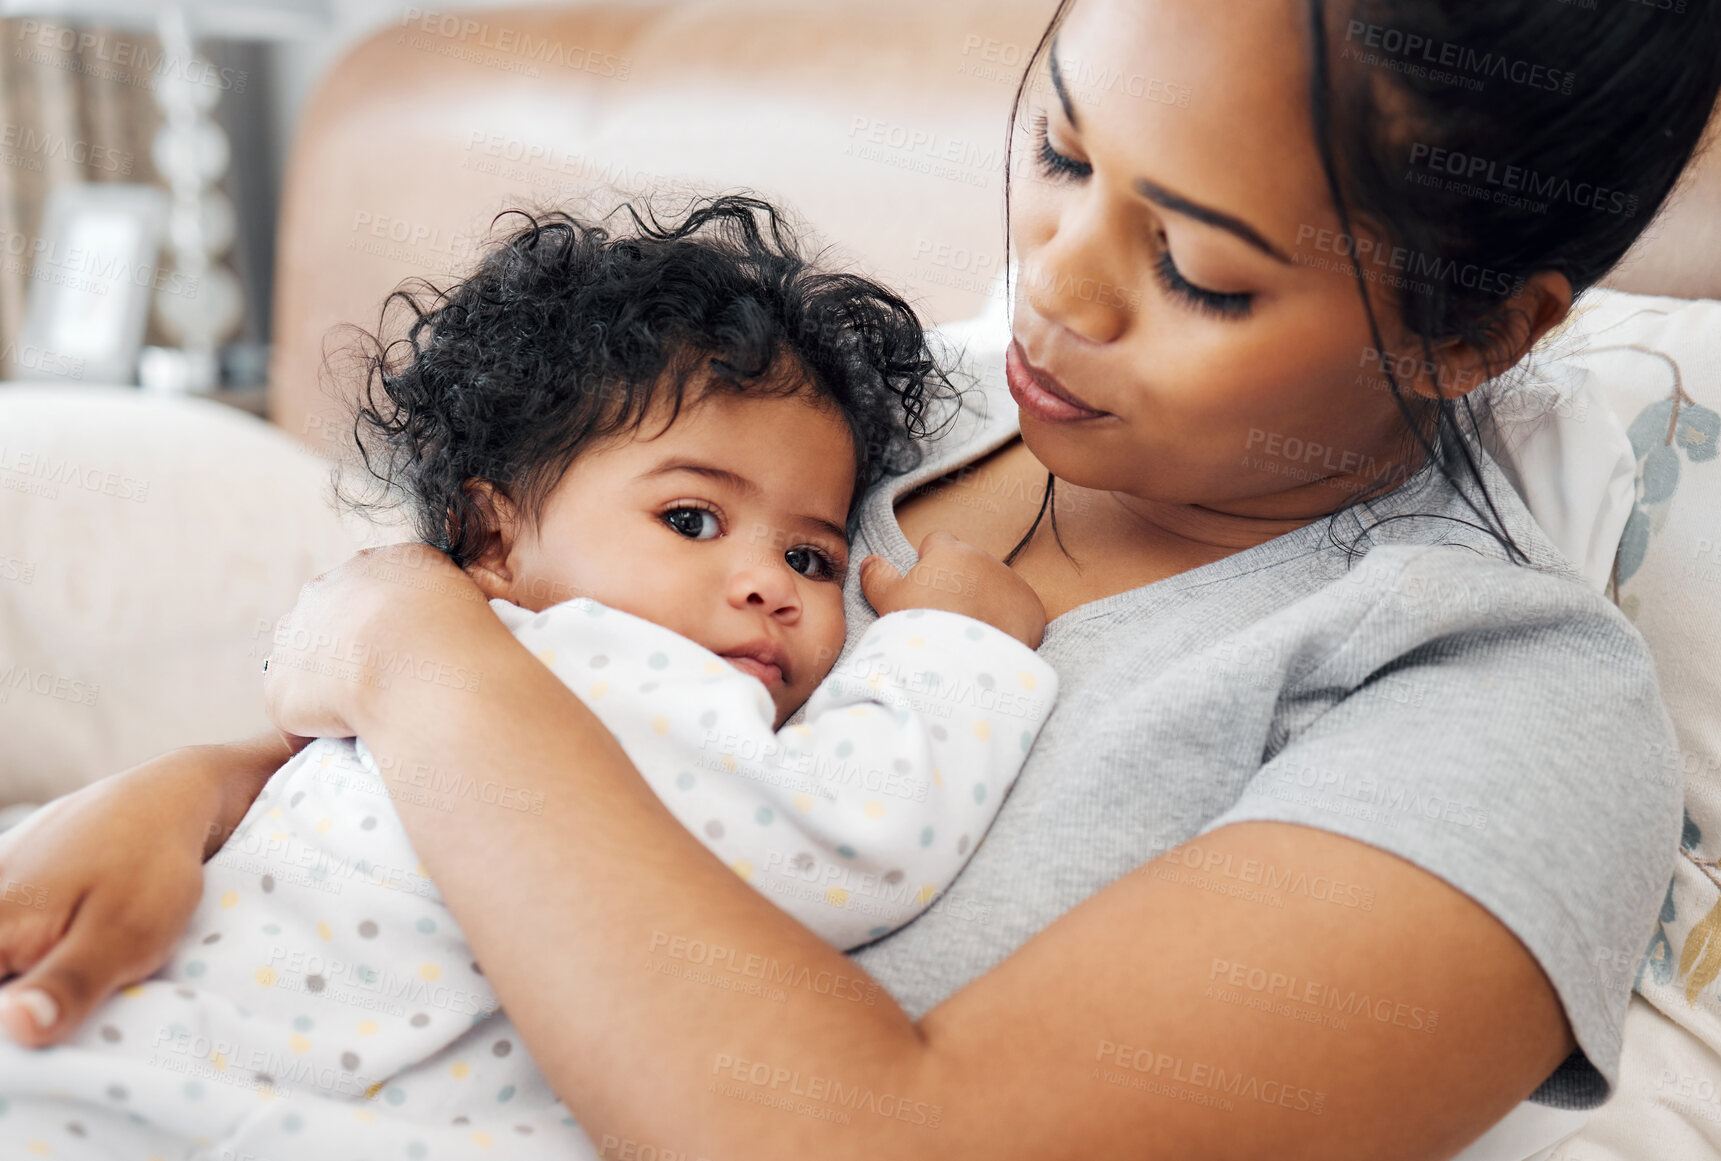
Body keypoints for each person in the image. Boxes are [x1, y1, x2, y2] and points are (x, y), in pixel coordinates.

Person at [3, 1, 1719, 1156]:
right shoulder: (826, 410)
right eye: (1059, 151)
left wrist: (413, 648)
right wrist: (204, 791)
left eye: (1195, 266)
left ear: (1478, 328)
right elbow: (549, 689)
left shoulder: (1500, 715)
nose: (1051, 283)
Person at [0, 197, 1058, 1156]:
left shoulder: (458, 667)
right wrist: (961, 647)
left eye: (811, 557)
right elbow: (846, 837)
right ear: (489, 538)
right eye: (690, 520)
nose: (768, 588)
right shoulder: (613, 671)